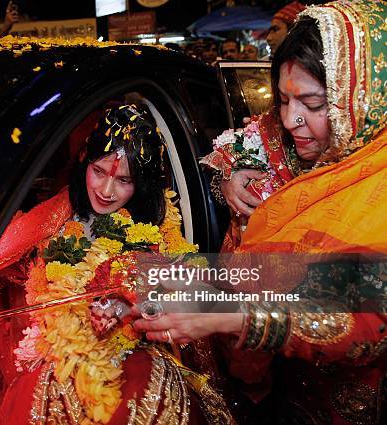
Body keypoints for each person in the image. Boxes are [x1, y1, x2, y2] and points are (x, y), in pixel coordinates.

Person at [135, 1, 386, 423]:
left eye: (313, 103)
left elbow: (366, 316)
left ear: (364, 97)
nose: (290, 120)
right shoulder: (306, 148)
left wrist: (227, 315)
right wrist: (148, 277)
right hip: (287, 386)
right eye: (284, 100)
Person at [0, 105, 235, 425]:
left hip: (135, 358)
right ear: (84, 162)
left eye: (124, 180)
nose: (107, 191)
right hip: (55, 365)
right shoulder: (57, 215)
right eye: (99, 172)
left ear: (143, 183)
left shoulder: (156, 223)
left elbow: (188, 288)